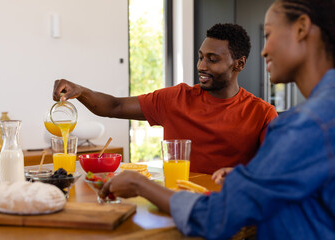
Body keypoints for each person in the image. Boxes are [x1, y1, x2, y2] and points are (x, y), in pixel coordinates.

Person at [99, 0, 335, 239]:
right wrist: (255, 177)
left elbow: (219, 216)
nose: (264, 50)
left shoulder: (308, 125)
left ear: (302, 28)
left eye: (269, 34)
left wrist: (140, 185)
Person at [53, 23, 277, 174]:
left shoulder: (262, 113)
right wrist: (80, 91)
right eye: (200, 57)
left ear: (239, 64)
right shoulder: (175, 99)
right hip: (175, 207)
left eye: (212, 59)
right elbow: (115, 106)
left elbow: (273, 171)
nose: (201, 66)